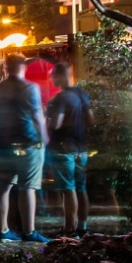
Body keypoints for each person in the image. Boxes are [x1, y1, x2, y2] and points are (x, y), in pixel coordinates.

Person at [0, 54, 49, 243]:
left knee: (2, 187)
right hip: (27, 143)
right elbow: (37, 115)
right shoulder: (30, 88)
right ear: (23, 66)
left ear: (6, 67)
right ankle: (29, 231)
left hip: (4, 144)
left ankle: (3, 230)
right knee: (28, 187)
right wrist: (45, 136)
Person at [46, 62, 93, 236]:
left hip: (62, 148)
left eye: (52, 76)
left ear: (58, 76)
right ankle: (82, 226)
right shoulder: (82, 95)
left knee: (68, 188)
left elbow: (56, 124)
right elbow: (91, 119)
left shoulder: (59, 99)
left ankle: (69, 228)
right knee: (81, 188)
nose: (51, 79)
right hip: (81, 147)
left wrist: (47, 122)